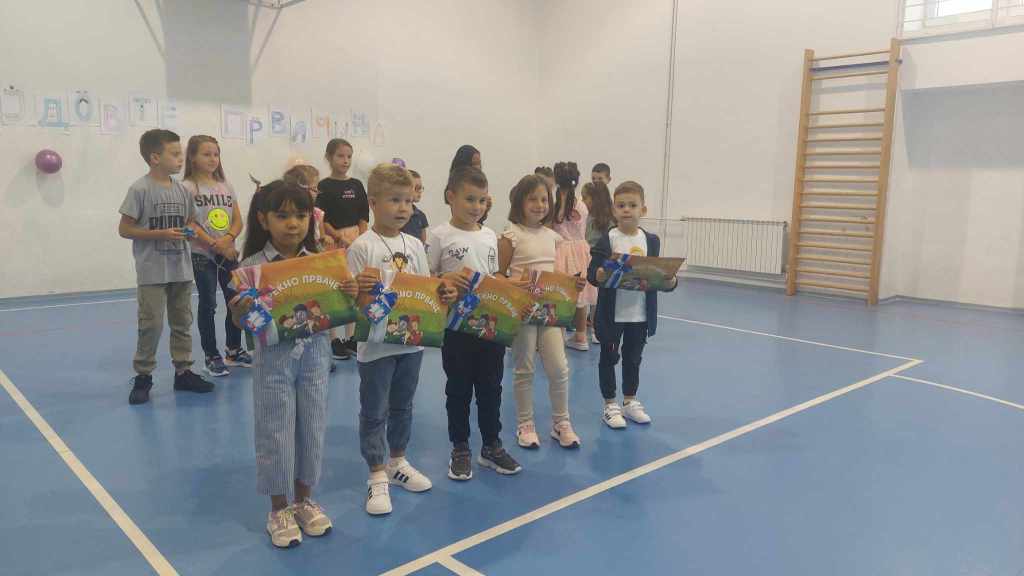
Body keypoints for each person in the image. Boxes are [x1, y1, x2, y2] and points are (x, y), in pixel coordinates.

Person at [230, 180, 358, 548]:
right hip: (273, 364)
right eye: (282, 215)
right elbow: (241, 322)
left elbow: (343, 308)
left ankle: (304, 500)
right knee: (276, 431)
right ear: (263, 219)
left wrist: (350, 292)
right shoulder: (252, 268)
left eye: (301, 215)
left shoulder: (323, 261)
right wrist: (240, 310)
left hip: (316, 359)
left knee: (312, 427)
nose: (293, 223)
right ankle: (278, 508)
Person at [347, 164, 458, 515]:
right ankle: (376, 472)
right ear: (373, 203)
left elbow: (426, 289)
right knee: (374, 410)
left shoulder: (414, 245)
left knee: (403, 406)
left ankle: (397, 461)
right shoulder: (361, 246)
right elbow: (349, 300)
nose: (403, 208)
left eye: (408, 201)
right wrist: (358, 289)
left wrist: (444, 291)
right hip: (376, 348)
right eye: (394, 200)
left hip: (412, 344)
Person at [426, 166, 522, 481]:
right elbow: (428, 278)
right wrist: (444, 281)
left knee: (491, 387)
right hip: (456, 329)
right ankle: (460, 447)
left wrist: (512, 288)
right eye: (469, 199)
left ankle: (491, 445)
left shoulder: (489, 236)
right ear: (451, 197)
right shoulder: (439, 236)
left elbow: (494, 277)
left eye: (482, 200)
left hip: (490, 326)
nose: (476, 206)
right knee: (458, 389)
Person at [118, 129, 213, 405]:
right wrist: (160, 234)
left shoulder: (183, 190)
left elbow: (190, 221)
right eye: (175, 154)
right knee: (151, 324)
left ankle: (183, 372)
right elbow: (125, 229)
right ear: (155, 157)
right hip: (152, 272)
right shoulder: (140, 189)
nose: (181, 158)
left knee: (182, 322)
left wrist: (191, 231)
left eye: (180, 153)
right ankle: (143, 376)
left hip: (181, 269)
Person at [498, 175, 585, 449]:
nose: (539, 205)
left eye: (544, 199)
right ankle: (525, 424)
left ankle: (561, 423)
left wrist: (572, 284)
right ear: (519, 202)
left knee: (559, 367)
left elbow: (555, 274)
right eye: (532, 199)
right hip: (523, 312)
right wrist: (516, 285)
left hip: (549, 313)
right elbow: (499, 275)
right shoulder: (511, 235)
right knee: (524, 368)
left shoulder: (553, 237)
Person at [587, 181, 678, 429]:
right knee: (608, 358)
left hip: (639, 315)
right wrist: (600, 275)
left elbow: (661, 277)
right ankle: (610, 404)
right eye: (621, 205)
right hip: (612, 315)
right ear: (614, 210)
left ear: (643, 209)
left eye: (632, 205)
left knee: (633, 359)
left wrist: (671, 281)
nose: (626, 210)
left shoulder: (651, 241)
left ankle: (629, 401)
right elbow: (592, 274)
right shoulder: (607, 239)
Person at [183, 135, 250, 376]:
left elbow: (237, 219)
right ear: (192, 157)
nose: (213, 159)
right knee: (208, 304)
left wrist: (228, 239)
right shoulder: (187, 188)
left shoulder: (226, 185)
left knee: (237, 301)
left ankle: (234, 349)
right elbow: (188, 223)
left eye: (216, 154)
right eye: (206, 154)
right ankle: (211, 355)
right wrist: (213, 244)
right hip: (203, 256)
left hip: (228, 253)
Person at [316, 138, 368, 360]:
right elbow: (322, 217)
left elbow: (364, 215)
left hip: (356, 240)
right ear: (329, 157)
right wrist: (338, 237)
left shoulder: (357, 185)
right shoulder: (324, 186)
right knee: (334, 289)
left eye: (349, 156)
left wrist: (361, 238)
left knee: (354, 288)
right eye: (340, 156)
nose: (345, 160)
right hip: (334, 242)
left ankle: (351, 337)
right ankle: (333, 339)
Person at [551, 162, 598, 350]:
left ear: (556, 180)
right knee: (581, 295)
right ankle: (581, 336)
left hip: (559, 250)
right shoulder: (582, 205)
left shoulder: (554, 204)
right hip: (581, 251)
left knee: (559, 294)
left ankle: (558, 336)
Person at [400, 169, 429, 243]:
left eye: (421, 188)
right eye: (417, 188)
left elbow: (423, 242)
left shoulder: (421, 216)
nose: (420, 191)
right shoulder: (398, 215)